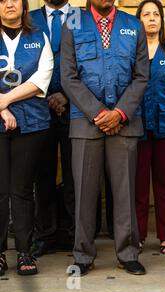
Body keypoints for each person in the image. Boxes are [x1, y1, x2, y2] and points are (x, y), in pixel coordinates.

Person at [60, 0, 149, 276]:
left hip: (125, 121)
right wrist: (98, 112)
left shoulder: (133, 25)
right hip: (86, 122)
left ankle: (128, 253)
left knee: (125, 192)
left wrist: (120, 112)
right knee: (85, 192)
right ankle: (83, 255)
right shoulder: (72, 22)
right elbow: (68, 76)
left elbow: (142, 76)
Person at [0, 0, 53, 276]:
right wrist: (3, 108)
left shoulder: (38, 37)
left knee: (21, 189)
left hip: (32, 124)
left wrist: (4, 100)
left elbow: (41, 79)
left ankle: (24, 251)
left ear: (23, 5)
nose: (9, 4)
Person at [135, 0, 165, 254]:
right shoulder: (133, 51)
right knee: (139, 185)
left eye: (156, 14)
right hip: (138, 126)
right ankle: (139, 234)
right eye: (146, 14)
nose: (152, 18)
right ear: (138, 20)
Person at [29, 0, 75, 258]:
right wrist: (44, 94)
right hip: (37, 106)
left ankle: (72, 233)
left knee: (74, 174)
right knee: (42, 174)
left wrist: (67, 96)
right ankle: (44, 234)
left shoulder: (82, 18)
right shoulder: (30, 18)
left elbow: (89, 63)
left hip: (76, 107)